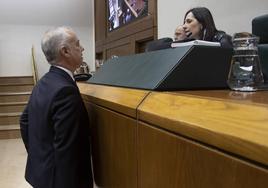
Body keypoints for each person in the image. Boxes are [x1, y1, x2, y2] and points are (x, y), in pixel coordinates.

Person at [20, 26, 93, 188]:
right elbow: (68, 150)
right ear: (65, 51)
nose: (82, 48)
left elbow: (24, 121)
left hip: (41, 174)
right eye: (77, 44)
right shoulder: (65, 90)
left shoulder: (43, 82)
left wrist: (38, 157)